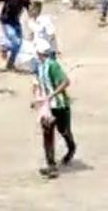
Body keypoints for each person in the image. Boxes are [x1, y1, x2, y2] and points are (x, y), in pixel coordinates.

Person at [31, 39, 76, 179]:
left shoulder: (52, 65)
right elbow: (38, 85)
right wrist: (38, 100)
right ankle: (51, 165)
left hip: (60, 105)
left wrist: (52, 95)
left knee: (64, 130)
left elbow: (65, 81)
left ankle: (71, 147)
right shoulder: (40, 66)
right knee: (47, 134)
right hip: (47, 107)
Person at [0, 0, 31, 71]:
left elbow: (29, 10)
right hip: (6, 21)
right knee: (15, 41)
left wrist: (33, 20)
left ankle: (10, 62)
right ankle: (4, 48)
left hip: (16, 22)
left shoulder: (24, 1)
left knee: (18, 44)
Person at [28, 1, 58, 73]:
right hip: (36, 49)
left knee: (47, 70)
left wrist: (54, 50)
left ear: (37, 10)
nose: (29, 11)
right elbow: (32, 34)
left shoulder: (45, 21)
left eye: (31, 9)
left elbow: (52, 35)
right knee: (35, 70)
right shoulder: (31, 22)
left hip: (45, 49)